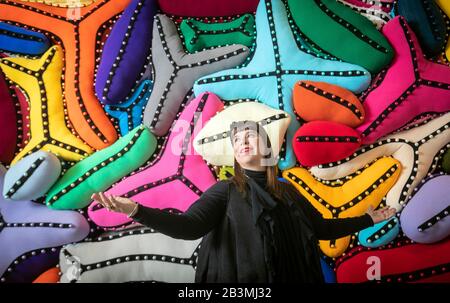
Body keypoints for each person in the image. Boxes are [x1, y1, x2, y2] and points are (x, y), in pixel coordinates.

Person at [92, 120, 396, 283]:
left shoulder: (288, 192)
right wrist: (135, 210)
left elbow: (321, 229)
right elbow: (189, 227)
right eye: (237, 141)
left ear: (267, 148)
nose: (242, 142)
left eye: (250, 136)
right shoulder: (225, 190)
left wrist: (368, 219)